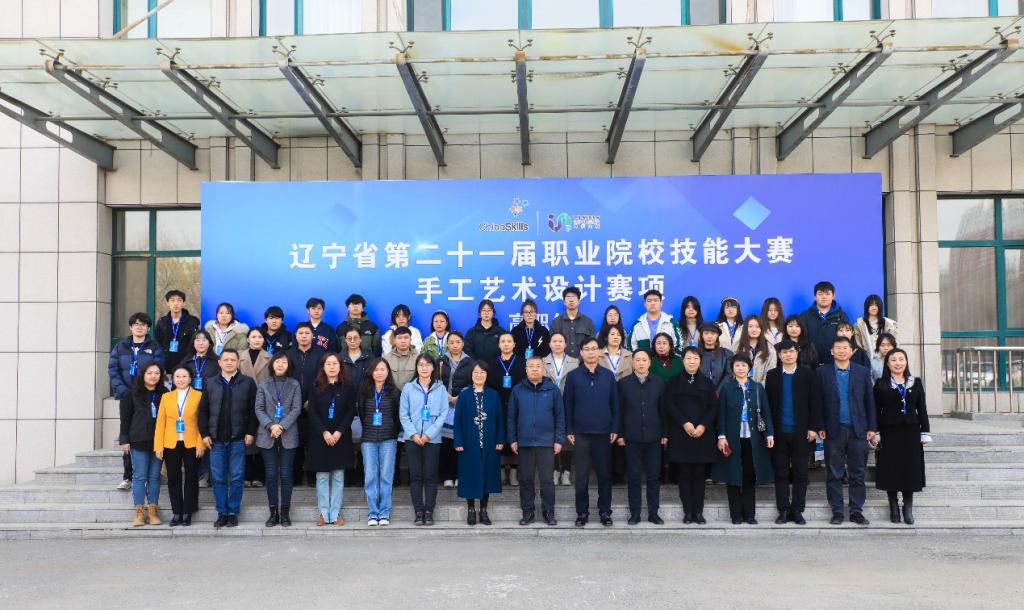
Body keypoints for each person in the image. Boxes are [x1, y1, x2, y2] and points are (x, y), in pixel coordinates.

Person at [817, 336, 877, 526]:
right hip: (833, 429)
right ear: (831, 351)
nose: (842, 351)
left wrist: (872, 427)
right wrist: (820, 426)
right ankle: (837, 511)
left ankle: (856, 511)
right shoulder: (822, 372)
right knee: (834, 473)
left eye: (845, 348)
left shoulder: (862, 372)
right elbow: (817, 402)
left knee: (857, 473)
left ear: (852, 351)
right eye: (838, 348)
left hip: (858, 429)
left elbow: (870, 401)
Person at [764, 339, 822, 525]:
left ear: (797, 353)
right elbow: (767, 406)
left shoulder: (808, 374)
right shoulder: (772, 375)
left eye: (791, 351)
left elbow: (815, 402)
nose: (788, 355)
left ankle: (797, 510)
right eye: (784, 352)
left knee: (800, 473)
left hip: (802, 433)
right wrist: (769, 431)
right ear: (779, 355)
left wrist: (813, 427)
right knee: (780, 473)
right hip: (779, 433)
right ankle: (783, 510)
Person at [712, 353, 775, 525]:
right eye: (737, 365)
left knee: (749, 476)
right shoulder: (727, 388)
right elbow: (721, 414)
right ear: (732, 368)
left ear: (749, 368)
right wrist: (721, 436)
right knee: (732, 476)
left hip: (752, 439)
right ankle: (736, 515)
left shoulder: (757, 388)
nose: (740, 368)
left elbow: (766, 412)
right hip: (732, 438)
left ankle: (750, 515)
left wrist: (769, 434)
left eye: (744, 365)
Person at [198, 349, 257, 528]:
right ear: (220, 362)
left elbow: (253, 411)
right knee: (218, 478)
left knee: (237, 477)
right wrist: (204, 434)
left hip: (238, 438)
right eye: (226, 360)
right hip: (216, 439)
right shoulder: (210, 383)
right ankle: (222, 512)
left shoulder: (247, 382)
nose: (229, 362)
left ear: (238, 362)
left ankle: (233, 512)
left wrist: (250, 432)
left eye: (233, 360)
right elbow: (203, 411)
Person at [565, 337, 619, 527]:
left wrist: (615, 428)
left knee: (604, 476)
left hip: (604, 434)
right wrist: (569, 429)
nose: (590, 352)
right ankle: (582, 513)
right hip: (580, 434)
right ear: (581, 352)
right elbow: (568, 404)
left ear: (599, 352)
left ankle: (605, 512)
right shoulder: (573, 376)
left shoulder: (608, 375)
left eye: (594, 348)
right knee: (581, 477)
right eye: (587, 349)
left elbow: (615, 404)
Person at [108, 312, 165, 491]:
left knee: (148, 433)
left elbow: (159, 369)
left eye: (143, 325)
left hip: (148, 396)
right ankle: (128, 476)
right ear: (131, 327)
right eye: (136, 324)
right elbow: (113, 370)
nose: (139, 327)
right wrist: (123, 391)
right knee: (127, 433)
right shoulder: (120, 347)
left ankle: (152, 474)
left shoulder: (154, 347)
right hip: (127, 396)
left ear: (148, 328)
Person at [874, 348, 930, 525]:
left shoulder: (915, 382)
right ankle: (893, 506)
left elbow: (922, 409)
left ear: (906, 362)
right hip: (889, 432)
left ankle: (908, 506)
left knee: (910, 469)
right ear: (887, 363)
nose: (898, 363)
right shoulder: (881, 384)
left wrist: (925, 432)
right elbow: (875, 410)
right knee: (891, 469)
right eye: (893, 360)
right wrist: (875, 432)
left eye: (901, 359)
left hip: (911, 433)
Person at [508, 356, 565, 526]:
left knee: (547, 480)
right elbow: (511, 417)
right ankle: (528, 512)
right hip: (524, 442)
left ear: (543, 369)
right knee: (526, 479)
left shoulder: (552, 390)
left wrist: (558, 439)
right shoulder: (518, 390)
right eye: (531, 366)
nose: (534, 369)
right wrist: (512, 438)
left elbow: (560, 416)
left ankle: (549, 512)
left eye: (538, 366)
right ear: (526, 370)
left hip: (546, 442)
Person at [665, 347, 718, 524]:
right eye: (688, 358)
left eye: (695, 358)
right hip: (681, 433)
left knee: (699, 475)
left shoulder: (707, 383)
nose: (692, 361)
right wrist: (684, 422)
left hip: (702, 434)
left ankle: (698, 512)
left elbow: (713, 407)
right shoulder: (673, 381)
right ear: (683, 360)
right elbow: (669, 405)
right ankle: (687, 512)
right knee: (684, 474)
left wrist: (703, 425)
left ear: (700, 361)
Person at [616, 349, 667, 525]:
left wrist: (665, 433)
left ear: (650, 363)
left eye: (644, 360)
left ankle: (653, 513)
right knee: (634, 477)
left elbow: (663, 410)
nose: (641, 363)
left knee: (653, 477)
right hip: (631, 438)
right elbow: (619, 411)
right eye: (637, 360)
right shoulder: (623, 384)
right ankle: (635, 514)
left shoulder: (659, 383)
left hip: (654, 437)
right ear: (632, 363)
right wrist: (620, 434)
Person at [399, 354, 450, 526]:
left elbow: (443, 413)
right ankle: (418, 511)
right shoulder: (408, 388)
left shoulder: (440, 388)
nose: (424, 368)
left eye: (428, 364)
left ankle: (429, 511)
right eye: (421, 365)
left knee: (430, 476)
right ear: (416, 367)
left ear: (433, 367)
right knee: (415, 476)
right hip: (412, 439)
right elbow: (403, 414)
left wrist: (428, 434)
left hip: (432, 439)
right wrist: (414, 434)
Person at [306, 353, 357, 526]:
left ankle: (335, 514)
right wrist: (325, 432)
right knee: (321, 476)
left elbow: (350, 412)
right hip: (320, 437)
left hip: (340, 437)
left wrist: (338, 432)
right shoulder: (315, 386)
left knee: (338, 475)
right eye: (328, 363)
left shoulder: (348, 387)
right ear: (323, 367)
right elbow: (312, 411)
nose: (332, 367)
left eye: (335, 363)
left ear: (340, 366)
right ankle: (323, 513)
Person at [453, 362, 505, 526]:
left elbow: (500, 419)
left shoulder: (494, 395)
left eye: (482, 372)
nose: (479, 375)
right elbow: (457, 421)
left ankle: (483, 510)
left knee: (487, 476)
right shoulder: (464, 395)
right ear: (471, 375)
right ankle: (471, 510)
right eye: (476, 372)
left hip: (489, 443)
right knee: (470, 475)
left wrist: (500, 439)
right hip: (469, 443)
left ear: (487, 375)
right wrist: (458, 441)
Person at [255, 352, 303, 527]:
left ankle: (285, 513)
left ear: (288, 365)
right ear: (272, 365)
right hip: (267, 434)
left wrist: (281, 426)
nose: (280, 365)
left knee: (286, 474)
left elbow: (297, 409)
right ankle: (273, 512)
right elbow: (259, 408)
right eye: (277, 362)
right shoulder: (264, 383)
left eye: (284, 362)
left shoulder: (294, 384)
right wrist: (271, 426)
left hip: (288, 433)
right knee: (271, 474)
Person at [154, 366, 204, 526]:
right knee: (173, 478)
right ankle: (177, 512)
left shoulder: (199, 396)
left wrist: (200, 443)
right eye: (178, 376)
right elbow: (160, 423)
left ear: (190, 379)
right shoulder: (166, 397)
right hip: (171, 442)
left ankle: (188, 511)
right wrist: (158, 446)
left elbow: (202, 422)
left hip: (192, 442)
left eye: (184, 376)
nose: (181, 379)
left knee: (191, 478)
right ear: (173, 379)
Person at [119, 362, 167, 526]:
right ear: (143, 374)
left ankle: (152, 512)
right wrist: (124, 439)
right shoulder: (131, 393)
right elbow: (125, 418)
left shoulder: (164, 393)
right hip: (138, 439)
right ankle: (139, 513)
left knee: (154, 476)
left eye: (157, 373)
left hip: (158, 441)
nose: (153, 376)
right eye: (150, 373)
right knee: (139, 477)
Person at [359, 358, 401, 526]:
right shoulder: (364, 391)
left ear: (388, 372)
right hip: (368, 439)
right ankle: (372, 513)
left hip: (388, 439)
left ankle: (384, 512)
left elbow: (397, 416)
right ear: (371, 372)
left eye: (383, 369)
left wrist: (392, 431)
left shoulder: (394, 392)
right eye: (376, 369)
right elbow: (362, 414)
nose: (379, 372)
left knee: (386, 476)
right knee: (370, 476)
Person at [286, 322, 325, 486]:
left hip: (313, 405)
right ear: (295, 336)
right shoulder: (287, 354)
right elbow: (284, 378)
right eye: (300, 333)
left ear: (312, 336)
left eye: (307, 333)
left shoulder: (320, 354)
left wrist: (313, 399)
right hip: (292, 406)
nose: (303, 336)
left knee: (313, 442)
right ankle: (295, 476)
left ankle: (311, 476)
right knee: (294, 442)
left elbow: (323, 378)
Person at [487, 333, 526, 486]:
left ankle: (514, 471)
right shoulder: (491, 363)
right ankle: (502, 469)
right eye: (503, 341)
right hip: (497, 405)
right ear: (499, 345)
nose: (506, 344)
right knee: (499, 435)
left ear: (514, 344)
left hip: (517, 405)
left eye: (509, 341)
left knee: (515, 436)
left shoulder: (522, 362)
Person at [542, 332, 578, 486]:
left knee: (567, 437)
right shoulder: (543, 362)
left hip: (568, 403)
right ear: (549, 344)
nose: (557, 344)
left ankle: (567, 471)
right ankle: (555, 470)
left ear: (565, 344)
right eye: (554, 341)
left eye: (560, 341)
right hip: (548, 405)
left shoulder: (575, 362)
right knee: (552, 437)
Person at [439, 331, 474, 488]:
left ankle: (461, 475)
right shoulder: (441, 361)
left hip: (463, 404)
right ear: (447, 344)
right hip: (444, 405)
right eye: (451, 342)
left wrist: (459, 397)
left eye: (458, 342)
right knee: (446, 442)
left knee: (461, 440)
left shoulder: (470, 362)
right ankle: (448, 475)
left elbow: (473, 382)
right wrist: (446, 395)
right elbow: (436, 380)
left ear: (463, 343)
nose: (455, 345)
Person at [239, 328, 270, 489]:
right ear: (248, 339)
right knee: (245, 439)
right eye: (253, 337)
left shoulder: (270, 358)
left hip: (265, 403)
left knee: (261, 439)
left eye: (260, 337)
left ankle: (259, 476)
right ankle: (246, 475)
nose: (257, 339)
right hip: (244, 402)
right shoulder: (239, 357)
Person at [800, 281, 850, 366]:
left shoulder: (841, 315)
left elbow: (847, 339)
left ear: (833, 296)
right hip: (809, 363)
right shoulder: (805, 315)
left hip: (834, 363)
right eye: (820, 294)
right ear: (815, 296)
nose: (824, 297)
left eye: (827, 294)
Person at [153, 290, 200, 372]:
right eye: (172, 300)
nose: (176, 303)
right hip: (166, 365)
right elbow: (157, 344)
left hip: (186, 365)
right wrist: (160, 365)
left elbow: (195, 344)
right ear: (167, 303)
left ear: (183, 303)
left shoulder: (192, 321)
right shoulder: (162, 322)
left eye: (179, 300)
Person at [629, 289, 684, 355]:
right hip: (643, 361)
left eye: (655, 300)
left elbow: (678, 345)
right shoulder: (637, 324)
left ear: (661, 303)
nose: (652, 303)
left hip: (667, 360)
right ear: (644, 304)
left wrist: (671, 359)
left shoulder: (671, 323)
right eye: (649, 301)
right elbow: (631, 345)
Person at [549, 286, 595, 359]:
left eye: (573, 297)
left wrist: (579, 360)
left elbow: (592, 344)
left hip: (583, 362)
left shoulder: (588, 322)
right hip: (562, 363)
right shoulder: (556, 322)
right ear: (564, 302)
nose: (571, 300)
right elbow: (553, 344)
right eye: (568, 297)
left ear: (579, 301)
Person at [855, 294, 898, 364]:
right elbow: (858, 346)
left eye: (876, 305)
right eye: (871, 305)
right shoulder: (859, 325)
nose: (874, 308)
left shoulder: (889, 324)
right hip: (866, 362)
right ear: (866, 307)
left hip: (886, 362)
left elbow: (894, 344)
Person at [736, 315, 778, 385]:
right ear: (745, 329)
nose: (754, 329)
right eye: (750, 326)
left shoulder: (770, 348)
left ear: (761, 329)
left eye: (757, 327)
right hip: (740, 388)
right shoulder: (737, 347)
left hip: (762, 389)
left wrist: (758, 388)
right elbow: (733, 371)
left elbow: (771, 373)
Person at [697, 322, 732, 388]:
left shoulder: (727, 354)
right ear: (702, 335)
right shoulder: (695, 354)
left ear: (717, 335)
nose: (709, 336)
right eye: (706, 333)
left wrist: (718, 391)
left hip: (721, 392)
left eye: (713, 333)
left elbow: (729, 375)